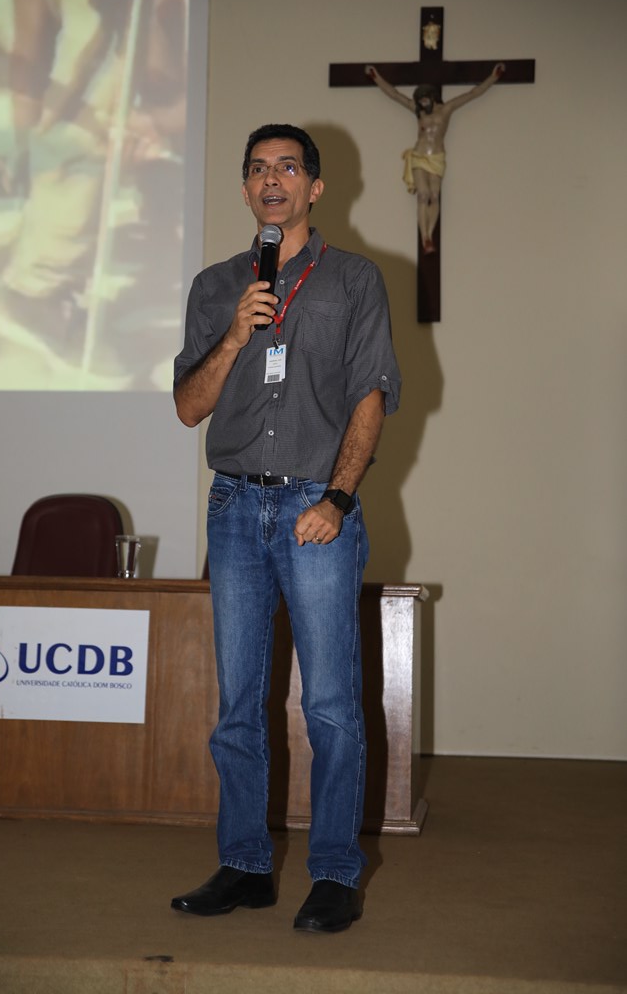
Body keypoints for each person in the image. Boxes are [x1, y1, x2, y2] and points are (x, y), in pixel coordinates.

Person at [171, 123, 401, 933]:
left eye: (288, 168)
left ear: (314, 188)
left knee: (330, 703)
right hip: (234, 508)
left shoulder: (353, 280)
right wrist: (237, 331)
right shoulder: (215, 287)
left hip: (314, 507)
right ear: (245, 189)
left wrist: (335, 500)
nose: (272, 180)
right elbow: (188, 407)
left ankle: (334, 872)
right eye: (258, 169)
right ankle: (244, 865)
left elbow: (370, 398)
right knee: (238, 703)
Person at [366, 62, 505, 253]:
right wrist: (377, 78)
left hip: (436, 157)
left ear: (432, 97)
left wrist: (493, 77)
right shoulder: (418, 112)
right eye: (420, 101)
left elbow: (473, 93)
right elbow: (395, 95)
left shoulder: (446, 109)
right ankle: (425, 237)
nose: (422, 104)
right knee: (423, 195)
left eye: (425, 100)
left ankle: (429, 233)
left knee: (434, 195)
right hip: (419, 155)